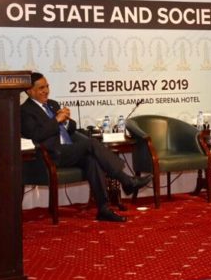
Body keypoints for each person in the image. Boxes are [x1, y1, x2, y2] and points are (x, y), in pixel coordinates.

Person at [21, 72, 151, 222]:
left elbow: (71, 129)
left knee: (92, 160)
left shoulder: (52, 104)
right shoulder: (25, 111)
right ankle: (127, 180)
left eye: (47, 86)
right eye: (41, 88)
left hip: (67, 150)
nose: (46, 91)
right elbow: (35, 134)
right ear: (29, 91)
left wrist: (66, 121)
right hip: (50, 155)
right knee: (91, 143)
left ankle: (104, 209)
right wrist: (56, 120)